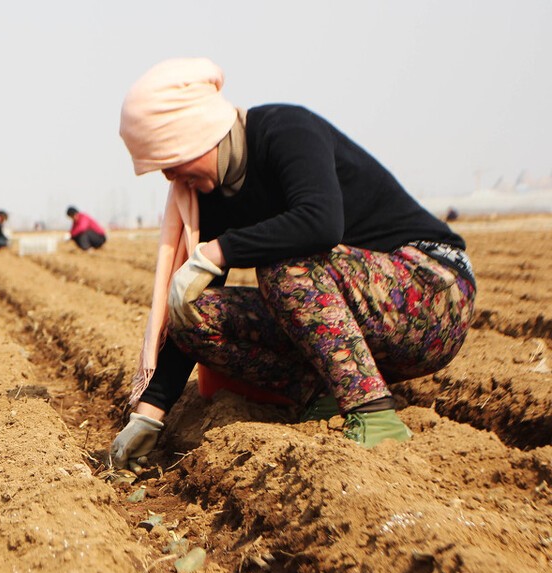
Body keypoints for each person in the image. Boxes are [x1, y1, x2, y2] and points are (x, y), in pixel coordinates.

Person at [109, 57, 474, 468]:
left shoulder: (286, 130)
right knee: (190, 314)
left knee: (284, 264)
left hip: (431, 296)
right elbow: (196, 305)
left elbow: (321, 223)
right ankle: (322, 396)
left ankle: (373, 414)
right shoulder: (211, 195)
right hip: (358, 317)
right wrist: (150, 414)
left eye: (168, 162)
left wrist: (216, 251)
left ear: (193, 135)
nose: (170, 178)